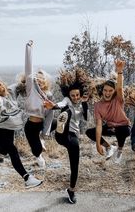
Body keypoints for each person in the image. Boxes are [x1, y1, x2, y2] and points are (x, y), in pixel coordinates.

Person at [44, 67, 91, 204]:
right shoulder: (67, 100)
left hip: (73, 137)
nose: (75, 97)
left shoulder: (82, 104)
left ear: (80, 94)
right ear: (69, 95)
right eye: (73, 95)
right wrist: (52, 106)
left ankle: (71, 190)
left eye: (77, 95)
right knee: (67, 112)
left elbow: (87, 118)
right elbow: (61, 104)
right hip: (62, 133)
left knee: (75, 163)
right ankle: (59, 124)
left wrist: (85, 103)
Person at [85, 59, 131, 163]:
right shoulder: (98, 105)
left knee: (122, 130)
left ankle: (119, 150)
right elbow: (99, 126)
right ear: (102, 91)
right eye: (105, 90)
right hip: (110, 128)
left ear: (114, 92)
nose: (107, 93)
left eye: (110, 91)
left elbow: (119, 88)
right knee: (89, 132)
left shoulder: (118, 100)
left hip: (123, 127)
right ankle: (109, 147)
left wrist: (119, 71)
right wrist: (98, 144)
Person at [24, 41, 54, 168]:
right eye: (38, 78)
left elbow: (50, 116)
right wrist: (29, 49)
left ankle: (42, 141)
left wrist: (45, 134)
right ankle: (39, 155)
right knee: (35, 149)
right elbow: (28, 68)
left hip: (41, 124)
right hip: (30, 125)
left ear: (46, 81)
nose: (40, 80)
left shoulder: (49, 95)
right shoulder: (31, 89)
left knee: (57, 122)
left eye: (43, 79)